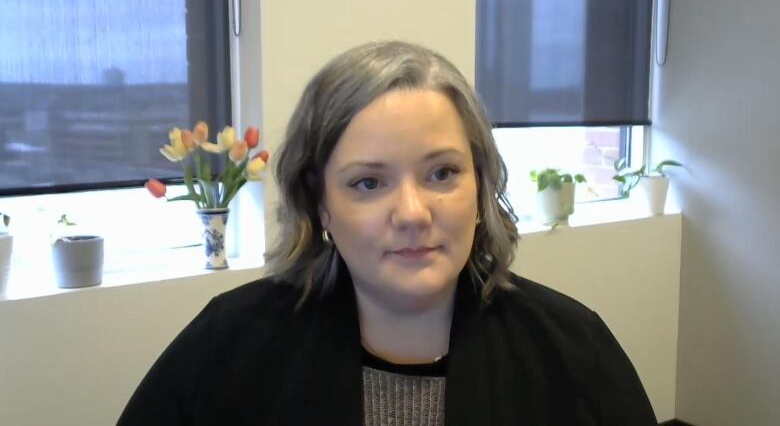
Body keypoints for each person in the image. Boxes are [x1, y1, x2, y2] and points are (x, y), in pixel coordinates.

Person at [118, 41, 657, 425]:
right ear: (320, 204)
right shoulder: (226, 347)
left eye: (442, 173)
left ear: (481, 187)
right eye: (369, 182)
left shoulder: (573, 351)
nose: (413, 213)